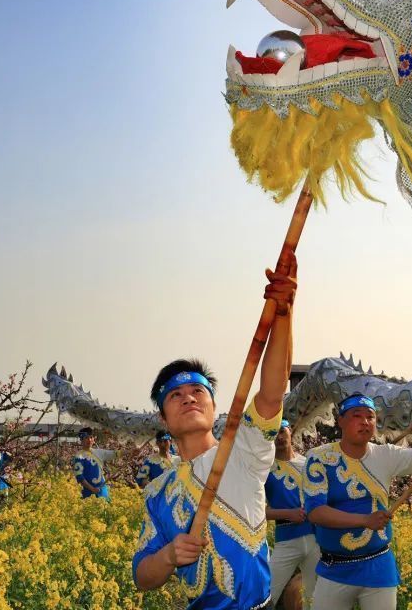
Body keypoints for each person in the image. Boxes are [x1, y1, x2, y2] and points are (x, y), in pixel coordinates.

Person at [132, 252, 298, 610]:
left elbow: (271, 392)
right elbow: (141, 575)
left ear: (213, 407)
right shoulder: (158, 491)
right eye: (174, 395)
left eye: (197, 392)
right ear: (163, 418)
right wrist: (167, 558)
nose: (188, 398)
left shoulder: (242, 451)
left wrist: (284, 313)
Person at [304, 394, 412, 610]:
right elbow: (316, 512)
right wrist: (365, 520)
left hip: (378, 566)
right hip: (334, 568)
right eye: (357, 416)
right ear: (340, 421)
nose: (365, 422)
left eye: (370, 417)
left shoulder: (387, 454)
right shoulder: (319, 457)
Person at [265, 419, 319, 608]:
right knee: (266, 594)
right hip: (286, 540)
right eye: (273, 434)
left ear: (291, 431)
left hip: (315, 539)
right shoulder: (264, 470)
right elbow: (256, 512)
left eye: (282, 431)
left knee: (314, 598)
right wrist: (288, 513)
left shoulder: (308, 464)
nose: (279, 437)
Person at [72, 427, 110, 500]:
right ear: (81, 440)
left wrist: (131, 451)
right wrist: (92, 489)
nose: (89, 440)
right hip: (88, 493)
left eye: (91, 437)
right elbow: (79, 477)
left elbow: (115, 453)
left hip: (102, 491)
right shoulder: (79, 456)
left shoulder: (99, 452)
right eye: (86, 438)